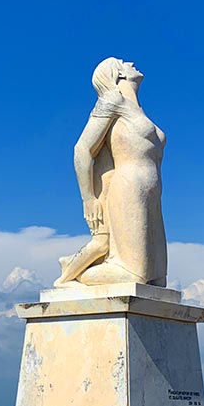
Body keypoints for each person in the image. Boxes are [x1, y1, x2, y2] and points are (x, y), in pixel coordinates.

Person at [55, 57, 167, 287]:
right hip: (129, 188)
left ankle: (77, 264)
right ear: (118, 75)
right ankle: (71, 273)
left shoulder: (139, 110)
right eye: (124, 62)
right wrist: (89, 199)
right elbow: (83, 149)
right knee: (133, 275)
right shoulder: (112, 101)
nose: (132, 63)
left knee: (157, 280)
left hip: (153, 193)